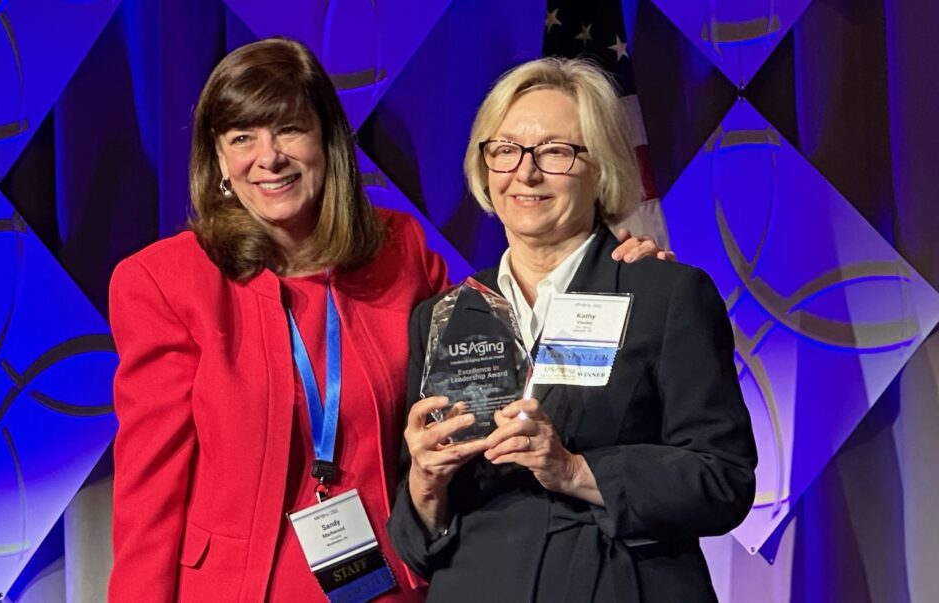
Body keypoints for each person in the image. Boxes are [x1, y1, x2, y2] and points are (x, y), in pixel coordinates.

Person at [107, 38, 667, 602]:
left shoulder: (399, 249)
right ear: (219, 159)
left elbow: (501, 341)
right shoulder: (165, 282)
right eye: (242, 137)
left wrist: (605, 273)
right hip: (240, 589)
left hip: (389, 586)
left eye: (290, 130)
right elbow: (150, 492)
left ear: (328, 141)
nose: (268, 156)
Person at [389, 58, 757, 602]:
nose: (526, 173)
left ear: (601, 166)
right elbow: (419, 542)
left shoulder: (665, 295)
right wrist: (425, 480)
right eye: (506, 150)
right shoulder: (443, 316)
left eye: (557, 152)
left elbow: (723, 479)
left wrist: (575, 469)